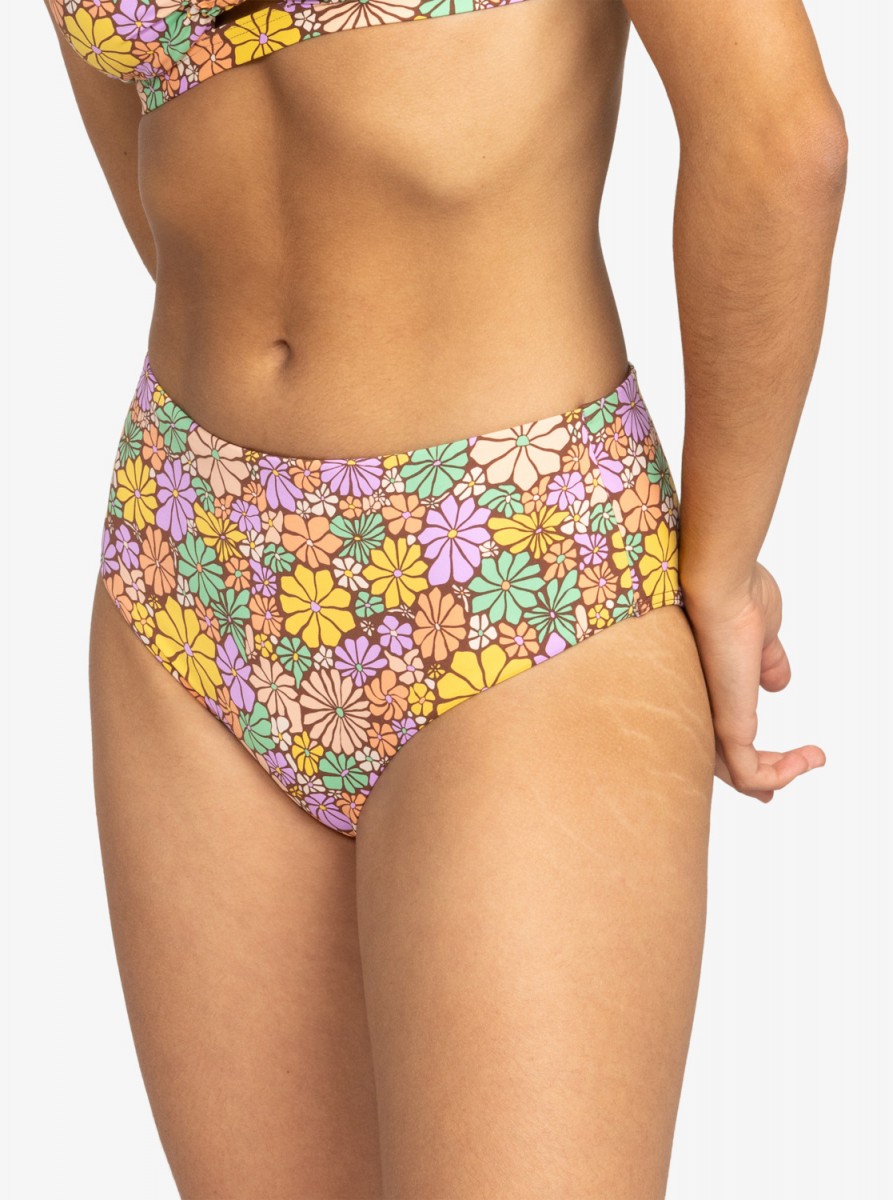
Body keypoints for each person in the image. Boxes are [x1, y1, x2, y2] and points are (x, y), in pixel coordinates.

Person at [45, 1, 845, 1196]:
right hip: (190, 555)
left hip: (514, 559)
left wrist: (719, 564)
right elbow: (158, 157)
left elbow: (779, 138)